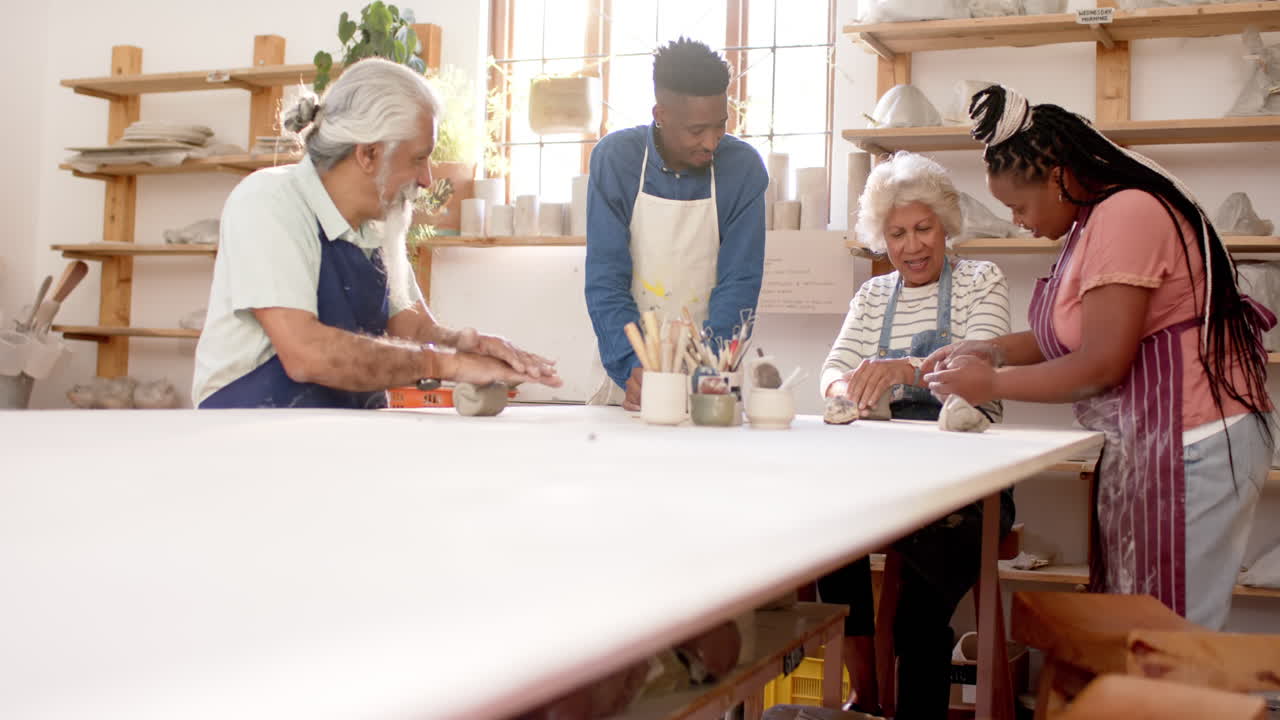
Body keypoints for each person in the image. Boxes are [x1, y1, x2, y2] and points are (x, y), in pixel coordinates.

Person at [926, 84, 1273, 631]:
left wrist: (990, 384)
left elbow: (1100, 363)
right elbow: (1066, 336)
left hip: (1196, 438)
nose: (1018, 220)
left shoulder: (1126, 213)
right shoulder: (1087, 224)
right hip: (1162, 440)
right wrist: (987, 348)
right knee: (1139, 629)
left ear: (1059, 175)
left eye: (1018, 205)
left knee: (1168, 635)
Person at [192, 58, 561, 409]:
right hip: (246, 428)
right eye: (418, 158)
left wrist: (468, 345)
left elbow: (412, 328)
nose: (426, 179)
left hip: (337, 428)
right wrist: (443, 364)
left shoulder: (379, 224)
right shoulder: (270, 201)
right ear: (368, 154)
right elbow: (305, 353)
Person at [817, 151, 1014, 718]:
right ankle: (865, 697)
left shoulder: (982, 281)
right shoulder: (873, 296)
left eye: (923, 228)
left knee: (917, 612)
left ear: (946, 225)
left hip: (965, 483)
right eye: (897, 233)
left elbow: (978, 375)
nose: (911, 246)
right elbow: (833, 372)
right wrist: (846, 390)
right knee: (828, 544)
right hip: (882, 478)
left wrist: (904, 370)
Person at [584, 37, 768, 409]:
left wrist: (710, 369)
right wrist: (633, 368)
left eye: (720, 126)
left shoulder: (743, 169)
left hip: (714, 373)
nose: (712, 143)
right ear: (661, 114)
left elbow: (740, 283)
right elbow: (606, 279)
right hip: (630, 375)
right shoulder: (615, 160)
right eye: (696, 130)